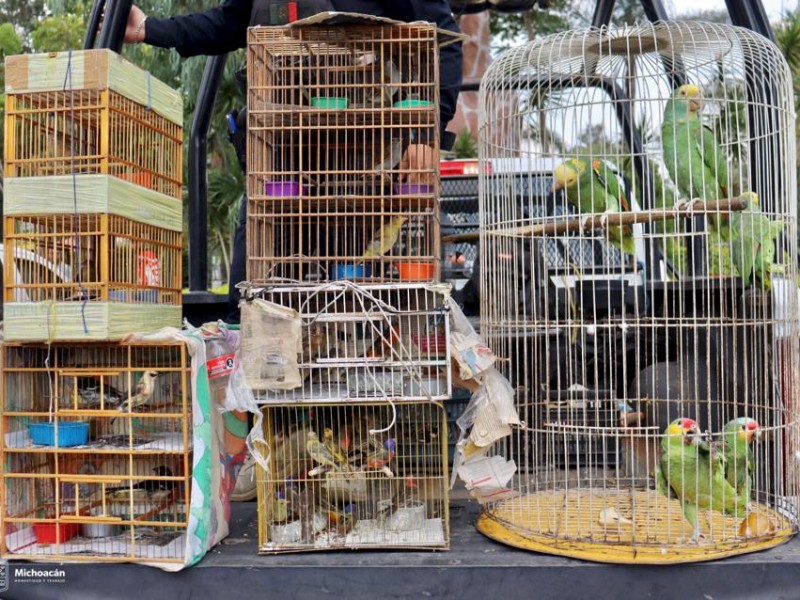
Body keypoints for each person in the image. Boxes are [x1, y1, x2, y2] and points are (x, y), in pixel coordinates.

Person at [120, 1, 464, 320]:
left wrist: (426, 132)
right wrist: (151, 28)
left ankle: (357, 359)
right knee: (252, 295)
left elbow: (442, 36)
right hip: (285, 156)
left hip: (367, 156)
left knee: (350, 292)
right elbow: (231, 21)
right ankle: (256, 367)